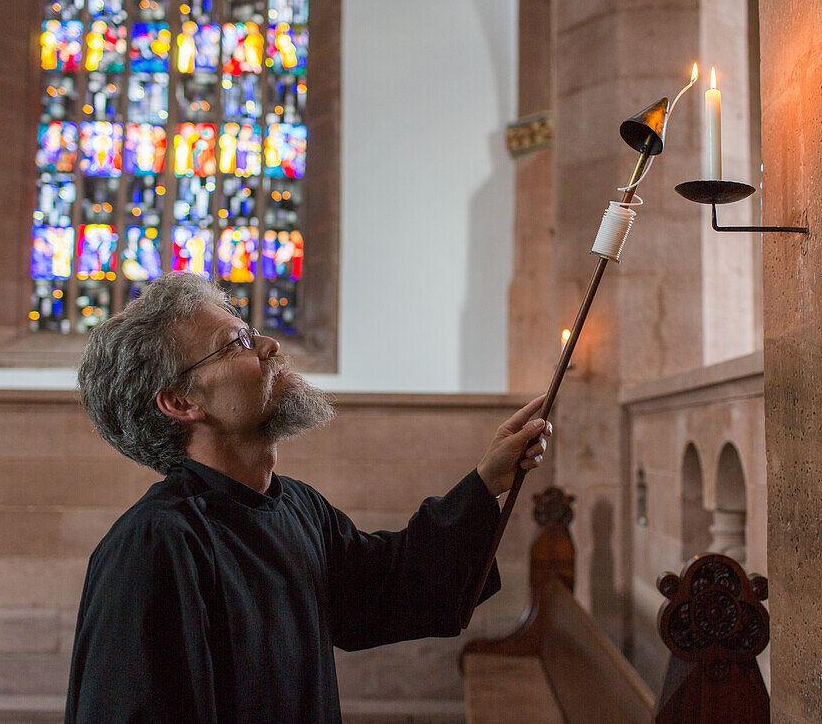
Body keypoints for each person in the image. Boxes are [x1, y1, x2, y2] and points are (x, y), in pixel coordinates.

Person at [65, 272, 551, 722]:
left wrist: (487, 480)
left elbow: (391, 589)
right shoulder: (154, 544)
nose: (270, 346)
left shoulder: (298, 507)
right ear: (182, 402)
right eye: (237, 343)